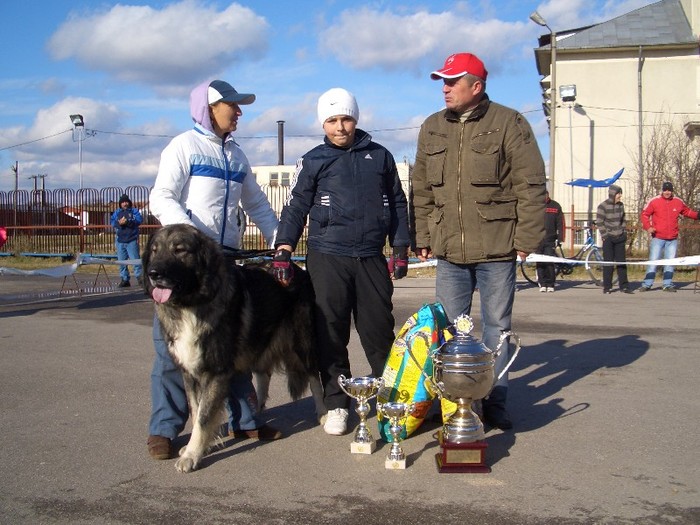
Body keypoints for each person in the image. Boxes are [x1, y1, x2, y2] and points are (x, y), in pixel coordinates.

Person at [146, 79, 282, 460]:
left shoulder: (236, 155)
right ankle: (163, 430)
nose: (239, 112)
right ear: (209, 108)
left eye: (239, 107)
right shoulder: (183, 146)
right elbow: (162, 196)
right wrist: (192, 238)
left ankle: (245, 421)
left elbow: (256, 204)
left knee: (230, 346)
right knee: (172, 354)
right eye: (232, 106)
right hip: (187, 263)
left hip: (226, 265)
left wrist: (280, 242)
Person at [411, 52, 546, 431]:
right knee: (449, 329)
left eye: (453, 81)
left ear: (477, 86)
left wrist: (527, 237)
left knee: (496, 327)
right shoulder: (431, 126)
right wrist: (423, 234)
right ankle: (452, 399)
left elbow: (530, 184)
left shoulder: (509, 123)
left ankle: (495, 399)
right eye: (443, 80)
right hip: (449, 250)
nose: (445, 87)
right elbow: (421, 188)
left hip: (497, 246)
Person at [272, 87, 411, 436]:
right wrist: (284, 248)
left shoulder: (380, 156)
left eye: (346, 118)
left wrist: (400, 248)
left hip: (369, 257)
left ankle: (391, 399)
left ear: (356, 119)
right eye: (332, 120)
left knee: (379, 331)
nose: (340, 127)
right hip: (328, 256)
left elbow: (397, 203)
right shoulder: (314, 159)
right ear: (323, 123)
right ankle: (337, 404)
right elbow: (296, 205)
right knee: (330, 333)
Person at [639, 181, 699, 292]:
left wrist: (697, 215)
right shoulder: (654, 201)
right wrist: (648, 227)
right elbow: (644, 214)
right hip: (658, 237)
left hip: (672, 238)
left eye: (669, 190)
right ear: (662, 190)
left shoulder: (678, 202)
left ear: (672, 191)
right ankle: (647, 284)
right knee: (653, 261)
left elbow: (687, 212)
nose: (667, 192)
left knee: (670, 262)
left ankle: (667, 284)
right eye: (665, 190)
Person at [595, 185, 633, 294]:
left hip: (620, 237)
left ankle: (624, 286)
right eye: (618, 194)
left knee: (621, 263)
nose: (620, 196)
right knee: (608, 263)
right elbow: (599, 222)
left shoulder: (621, 206)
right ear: (612, 194)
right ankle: (607, 287)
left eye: (621, 193)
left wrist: (624, 232)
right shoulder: (603, 206)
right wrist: (605, 235)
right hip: (609, 238)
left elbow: (623, 219)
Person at [110, 193, 143, 288]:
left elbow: (139, 220)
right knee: (121, 262)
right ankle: (124, 279)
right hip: (120, 240)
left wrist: (128, 222)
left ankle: (140, 278)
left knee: (135, 260)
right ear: (120, 204)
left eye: (126, 202)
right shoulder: (117, 212)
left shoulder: (134, 211)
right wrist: (119, 223)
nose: (125, 204)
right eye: (123, 202)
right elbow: (112, 221)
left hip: (132, 239)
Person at [536, 190, 565, 292]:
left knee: (549, 262)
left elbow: (561, 223)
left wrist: (560, 238)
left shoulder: (555, 206)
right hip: (538, 240)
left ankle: (550, 284)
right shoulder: (536, 206)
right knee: (539, 263)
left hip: (550, 239)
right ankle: (542, 283)